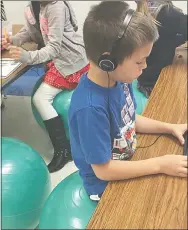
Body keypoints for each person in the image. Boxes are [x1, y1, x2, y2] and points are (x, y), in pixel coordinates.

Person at [68, 1, 187, 201]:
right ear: (109, 60)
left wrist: (169, 127)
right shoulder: (90, 108)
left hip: (127, 162)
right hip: (105, 186)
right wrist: (160, 164)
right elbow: (103, 170)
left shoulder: (117, 78)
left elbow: (129, 118)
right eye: (139, 61)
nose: (145, 66)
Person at [1, 1, 89, 173]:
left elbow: (54, 47)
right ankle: (64, 148)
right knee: (41, 96)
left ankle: (63, 150)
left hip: (70, 61)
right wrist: (13, 39)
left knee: (40, 99)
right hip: (58, 60)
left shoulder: (56, 7)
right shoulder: (33, 6)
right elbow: (30, 31)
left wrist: (27, 56)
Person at [136, 0, 187, 98]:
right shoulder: (167, 12)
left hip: (144, 78)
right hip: (155, 82)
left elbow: (163, 39)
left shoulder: (148, 11)